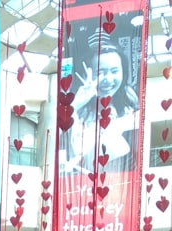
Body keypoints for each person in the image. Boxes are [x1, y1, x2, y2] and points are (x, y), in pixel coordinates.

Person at [60, 33, 140, 175]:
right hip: (84, 182)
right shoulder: (78, 109)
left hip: (123, 179)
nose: (108, 79)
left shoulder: (129, 99)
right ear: (85, 74)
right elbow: (66, 142)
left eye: (115, 71)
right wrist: (77, 104)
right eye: (100, 72)